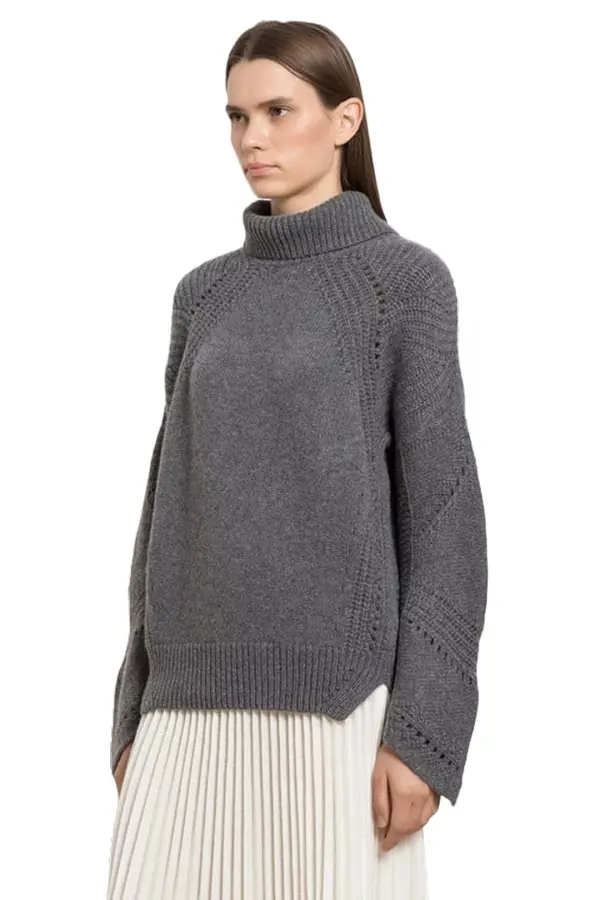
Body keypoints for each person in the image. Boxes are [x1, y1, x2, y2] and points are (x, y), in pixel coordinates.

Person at [106, 18, 488, 900]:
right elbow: (167, 507)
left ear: (346, 119)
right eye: (237, 117)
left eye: (278, 111)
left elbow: (444, 518)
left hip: (340, 713)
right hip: (185, 709)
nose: (253, 138)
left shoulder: (404, 284)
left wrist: (425, 730)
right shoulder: (204, 294)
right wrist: (133, 708)